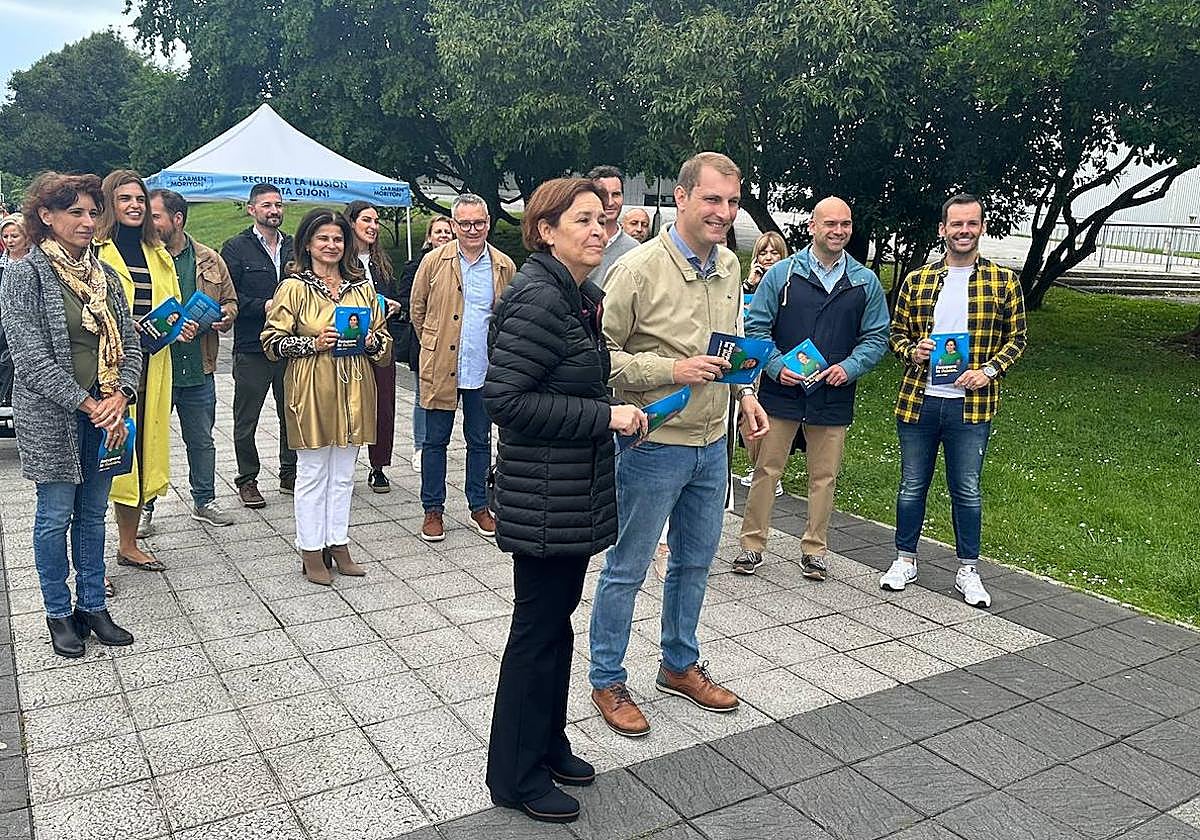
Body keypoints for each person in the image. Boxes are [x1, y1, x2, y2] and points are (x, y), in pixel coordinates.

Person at [588, 152, 769, 737]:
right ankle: (607, 677)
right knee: (629, 566)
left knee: (695, 562)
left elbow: (734, 346)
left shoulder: (731, 267)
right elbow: (599, 359)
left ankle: (678, 663)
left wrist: (746, 396)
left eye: (733, 202)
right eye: (713, 199)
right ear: (682, 198)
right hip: (653, 444)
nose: (724, 213)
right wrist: (672, 369)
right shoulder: (637, 269)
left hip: (713, 442)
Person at [484, 178, 648, 824]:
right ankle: (515, 776)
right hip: (543, 497)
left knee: (556, 626)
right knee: (535, 632)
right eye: (582, 219)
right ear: (545, 230)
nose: (598, 229)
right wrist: (603, 418)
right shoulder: (537, 298)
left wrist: (612, 409)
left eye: (602, 219)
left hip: (571, 493)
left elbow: (570, 384)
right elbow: (507, 400)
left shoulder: (575, 295)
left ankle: (548, 746)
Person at [1, 172, 142, 656]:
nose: (88, 221)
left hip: (106, 414)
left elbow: (132, 340)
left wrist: (121, 393)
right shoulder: (25, 272)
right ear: (46, 216)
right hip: (53, 417)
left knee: (92, 514)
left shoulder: (102, 274)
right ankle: (58, 612)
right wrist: (90, 404)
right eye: (76, 213)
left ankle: (93, 605)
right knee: (55, 515)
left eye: (92, 212)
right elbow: (30, 357)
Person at [881, 194, 1027, 607]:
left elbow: (1017, 340)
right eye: (956, 224)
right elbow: (896, 334)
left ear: (981, 227)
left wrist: (988, 371)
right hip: (920, 401)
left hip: (971, 405)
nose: (964, 231)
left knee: (967, 490)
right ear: (942, 229)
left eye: (972, 224)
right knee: (912, 486)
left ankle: (967, 570)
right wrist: (912, 352)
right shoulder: (918, 280)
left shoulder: (1003, 281)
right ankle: (904, 559)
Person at [736, 197, 889, 578]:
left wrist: (850, 368)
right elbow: (756, 327)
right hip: (782, 391)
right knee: (766, 469)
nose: (838, 231)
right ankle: (752, 545)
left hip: (832, 392)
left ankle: (815, 550)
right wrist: (773, 366)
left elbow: (876, 336)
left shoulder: (864, 282)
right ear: (812, 227)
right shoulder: (782, 274)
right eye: (830, 224)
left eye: (845, 224)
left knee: (824, 475)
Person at [261, 209, 393, 585]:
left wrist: (371, 341)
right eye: (323, 239)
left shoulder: (361, 286)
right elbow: (271, 342)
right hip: (312, 385)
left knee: (343, 474)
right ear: (307, 243)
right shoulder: (293, 288)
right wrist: (313, 343)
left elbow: (384, 344)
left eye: (338, 239)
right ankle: (310, 549)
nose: (331, 245)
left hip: (356, 385)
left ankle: (338, 542)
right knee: (313, 472)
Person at [95, 169, 192, 574]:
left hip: (151, 368)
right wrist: (123, 326)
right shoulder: (96, 251)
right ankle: (88, 560)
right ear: (108, 205)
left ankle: (129, 544)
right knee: (99, 457)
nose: (135, 206)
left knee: (137, 453)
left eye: (140, 199)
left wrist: (179, 325)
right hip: (106, 371)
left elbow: (171, 305)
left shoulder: (159, 256)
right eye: (125, 199)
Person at [410, 194, 515, 542]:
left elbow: (508, 316)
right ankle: (432, 510)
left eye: (479, 223)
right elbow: (418, 309)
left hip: (484, 369)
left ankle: (479, 505)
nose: (472, 230)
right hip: (442, 364)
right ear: (454, 225)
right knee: (434, 440)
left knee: (480, 441)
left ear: (488, 222)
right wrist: (433, 344)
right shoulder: (433, 262)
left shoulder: (503, 265)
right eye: (465, 223)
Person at [140, 188, 239, 534]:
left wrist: (224, 317)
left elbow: (229, 301)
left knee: (201, 440)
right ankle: (143, 507)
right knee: (149, 440)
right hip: (157, 368)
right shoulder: (143, 258)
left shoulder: (209, 258)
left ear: (177, 219)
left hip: (199, 367)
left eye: (155, 216)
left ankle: (204, 500)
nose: (148, 221)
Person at [222, 183, 296, 508]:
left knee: (291, 413)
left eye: (278, 205)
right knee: (246, 417)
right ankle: (247, 478)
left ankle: (290, 472)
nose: (274, 211)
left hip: (289, 346)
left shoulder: (295, 246)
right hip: (252, 346)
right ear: (252, 209)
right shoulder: (236, 248)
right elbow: (229, 295)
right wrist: (264, 306)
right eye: (267, 205)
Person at [345, 200, 403, 493]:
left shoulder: (382, 262)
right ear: (352, 223)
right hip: (351, 344)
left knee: (384, 405)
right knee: (351, 405)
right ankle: (345, 465)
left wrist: (392, 306)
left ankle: (378, 466)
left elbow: (395, 299)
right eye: (367, 220)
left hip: (381, 344)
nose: (373, 227)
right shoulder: (341, 261)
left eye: (376, 221)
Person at [394, 217, 455, 473]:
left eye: (447, 232)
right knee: (422, 395)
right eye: (438, 231)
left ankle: (440, 444)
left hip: (454, 341)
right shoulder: (415, 266)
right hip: (425, 340)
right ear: (429, 237)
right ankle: (420, 446)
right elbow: (407, 301)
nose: (443, 235)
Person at [585, 166, 640, 287]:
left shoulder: (635, 250)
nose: (610, 202)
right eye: (603, 195)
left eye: (616, 194)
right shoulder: (578, 241)